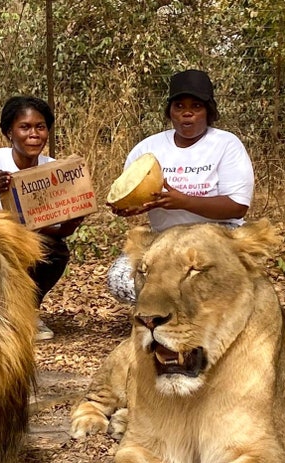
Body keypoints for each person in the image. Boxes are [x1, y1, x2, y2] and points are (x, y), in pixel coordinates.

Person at [107, 69, 255, 303]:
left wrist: (183, 201)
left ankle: (200, 319)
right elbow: (132, 194)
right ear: (170, 112)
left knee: (200, 276)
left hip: (219, 234)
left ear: (209, 111)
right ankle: (166, 315)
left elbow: (237, 207)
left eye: (196, 106)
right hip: (164, 238)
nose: (187, 113)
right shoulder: (148, 148)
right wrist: (130, 207)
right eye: (179, 106)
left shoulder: (226, 144)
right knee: (121, 279)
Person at [0, 95, 83, 341]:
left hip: (28, 240)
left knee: (55, 250)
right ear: (9, 132)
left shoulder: (52, 169)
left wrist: (70, 222)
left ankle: (27, 311)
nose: (34, 134)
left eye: (40, 127)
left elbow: (56, 230)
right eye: (25, 127)